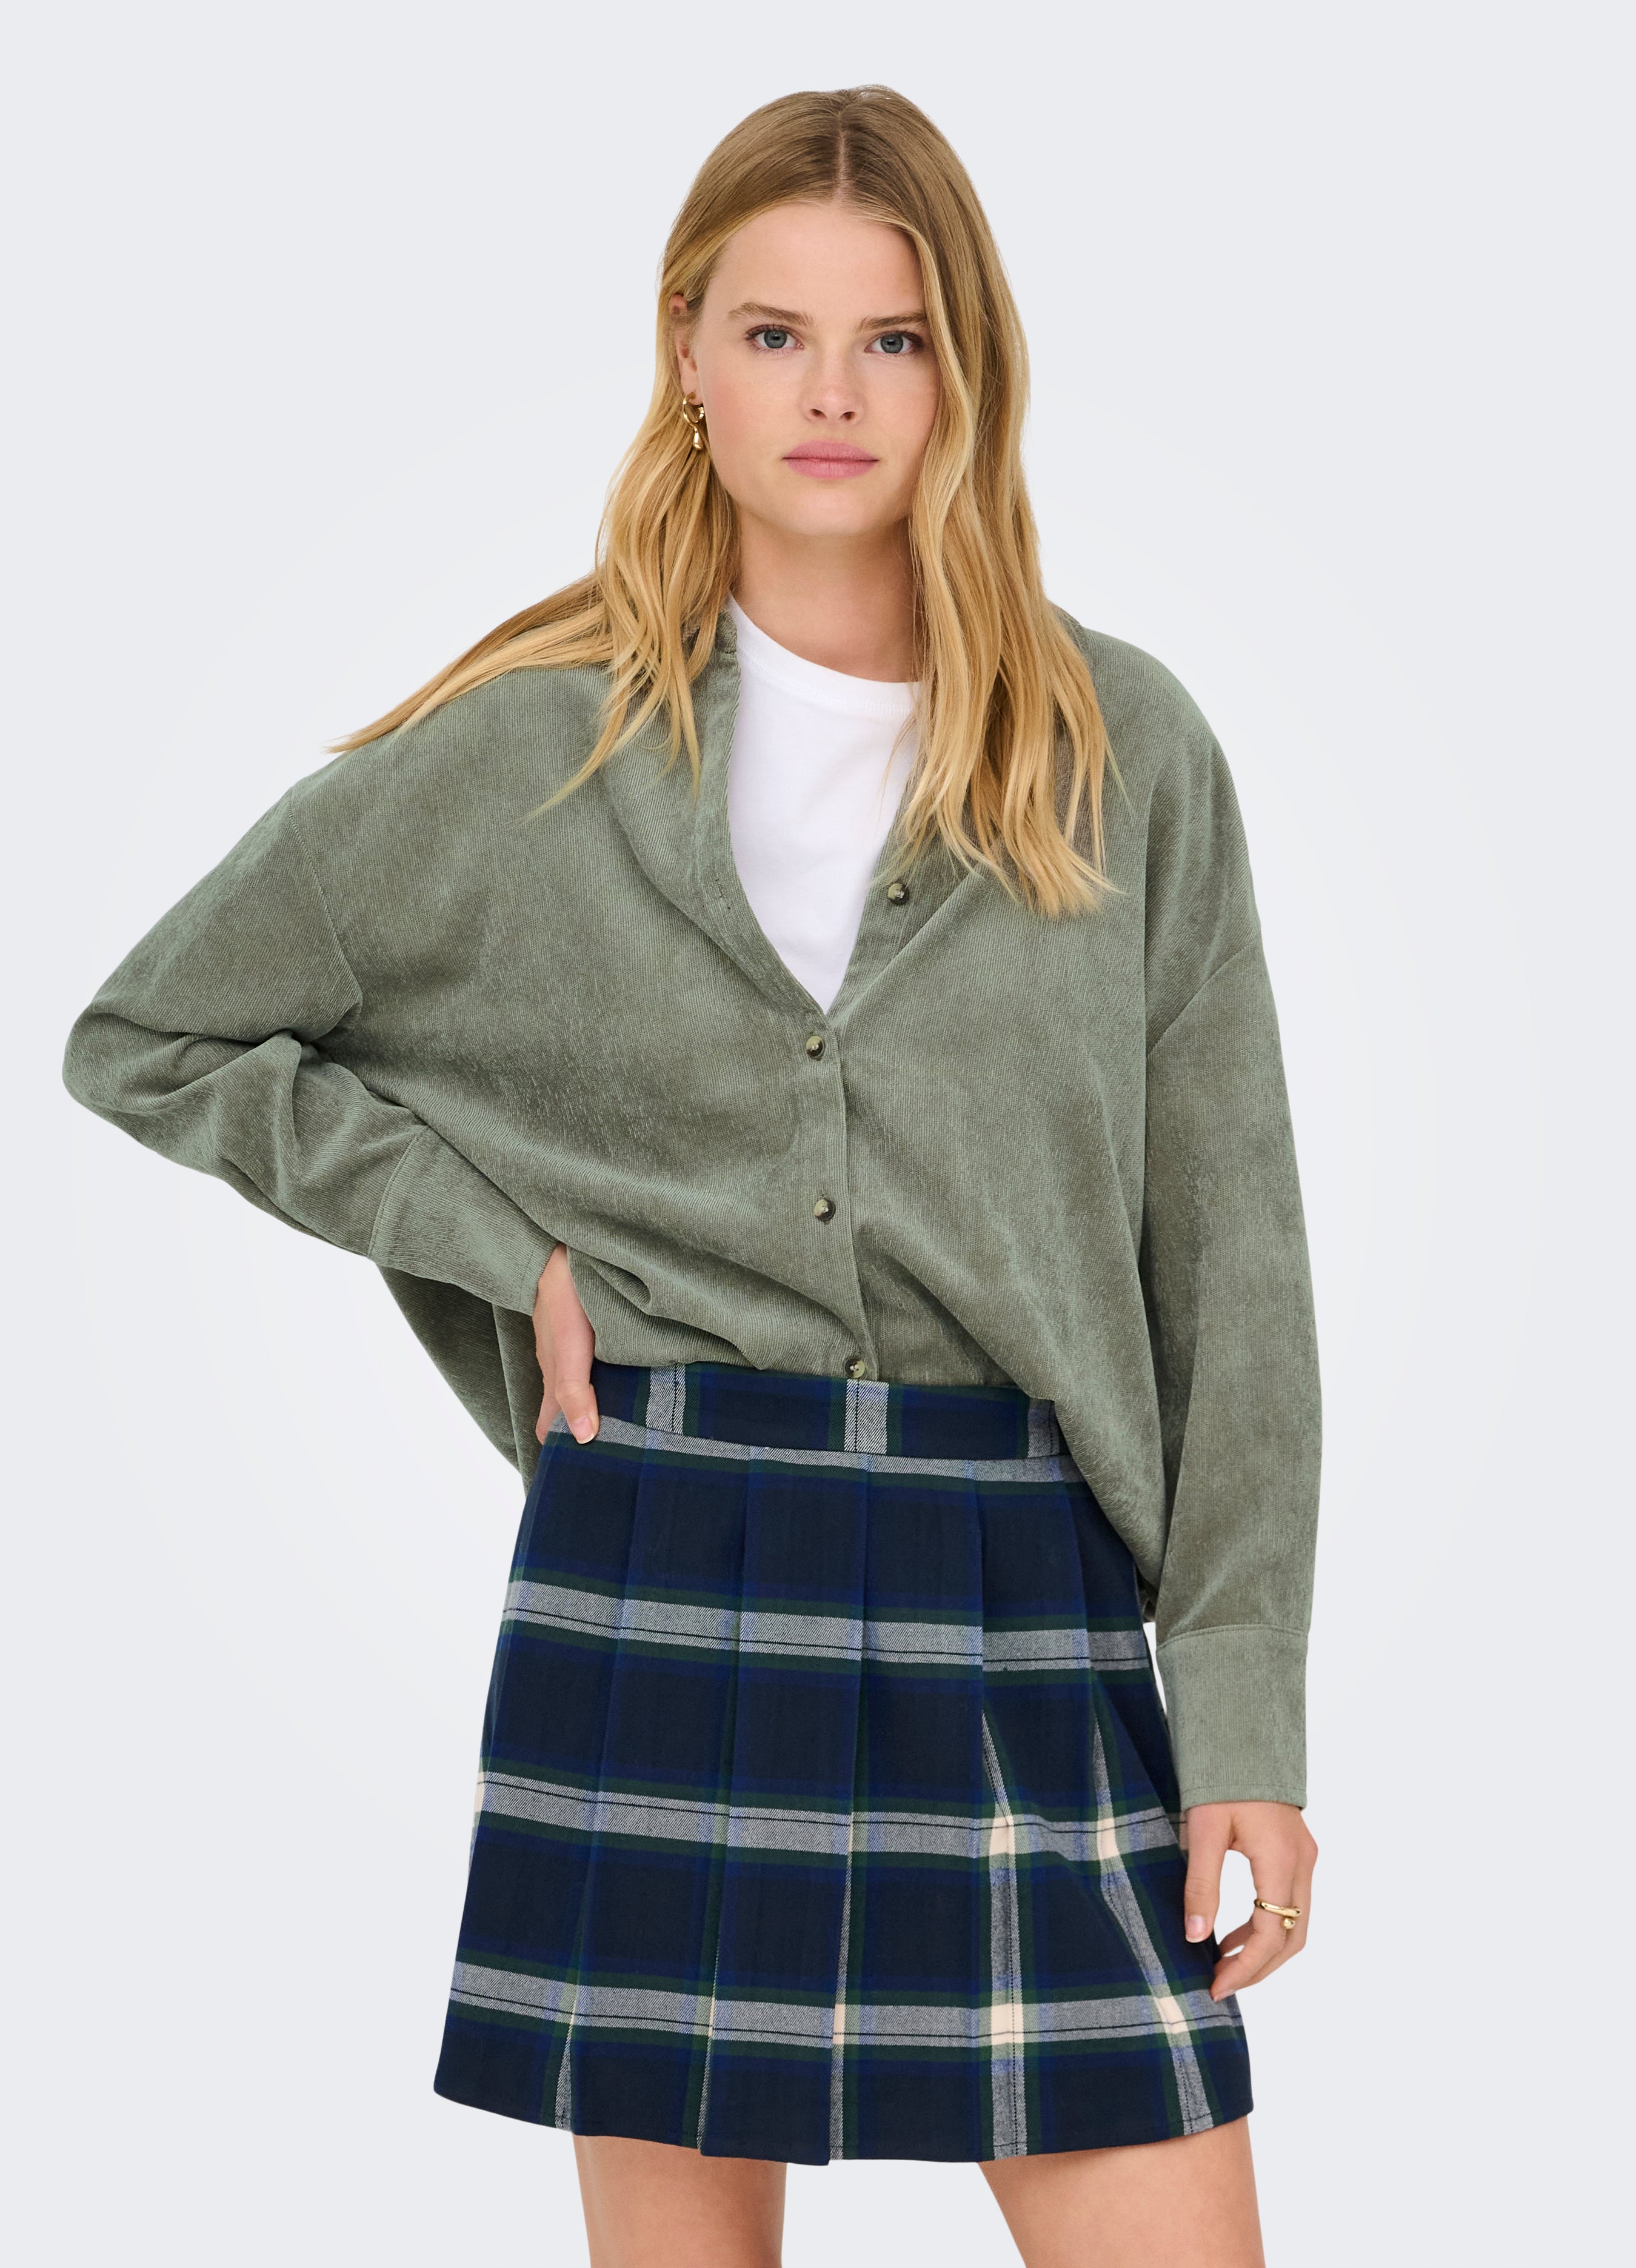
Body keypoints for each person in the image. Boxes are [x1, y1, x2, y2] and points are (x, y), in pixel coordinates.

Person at [64, 83, 1320, 2268]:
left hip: (1018, 1586)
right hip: (666, 1555)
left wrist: (1247, 1720)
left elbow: (1235, 1266)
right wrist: (492, 1248)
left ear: (966, 369)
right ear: (688, 355)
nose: (834, 394)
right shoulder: (529, 748)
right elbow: (152, 1036)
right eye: (774, 334)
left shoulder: (1121, 752)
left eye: (893, 338)